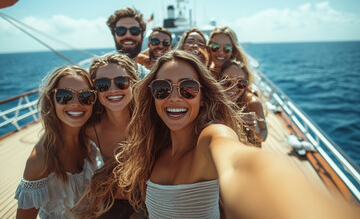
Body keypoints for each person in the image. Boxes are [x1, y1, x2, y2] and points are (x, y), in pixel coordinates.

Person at [113, 50, 359, 219]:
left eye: (188, 88)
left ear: (203, 96)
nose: (174, 97)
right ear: (152, 96)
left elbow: (241, 165)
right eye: (162, 88)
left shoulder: (211, 137)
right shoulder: (152, 150)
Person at [15, 65, 102, 219]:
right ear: (51, 100)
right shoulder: (41, 160)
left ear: (94, 101)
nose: (76, 103)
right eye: (64, 95)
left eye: (86, 96)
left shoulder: (92, 142)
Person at [72, 53, 142, 219]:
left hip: (147, 203)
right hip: (107, 204)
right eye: (102, 84)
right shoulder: (89, 129)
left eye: (121, 82)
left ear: (133, 82)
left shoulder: (148, 123)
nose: (112, 89)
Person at [220, 59, 268, 146]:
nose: (234, 88)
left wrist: (256, 130)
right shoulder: (215, 101)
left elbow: (264, 135)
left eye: (240, 82)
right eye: (227, 81)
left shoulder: (253, 103)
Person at [106, 7, 149, 79]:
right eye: (121, 30)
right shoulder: (100, 77)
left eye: (134, 30)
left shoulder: (151, 78)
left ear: (142, 37)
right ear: (114, 36)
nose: (128, 35)